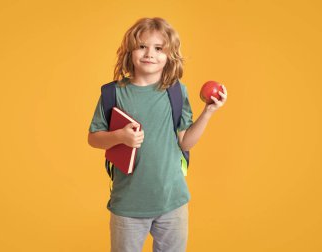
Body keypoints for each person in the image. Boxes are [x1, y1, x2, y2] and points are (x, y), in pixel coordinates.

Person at [88, 17, 227, 252]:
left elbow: (185, 142)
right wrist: (120, 136)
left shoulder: (176, 92)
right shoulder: (113, 93)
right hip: (128, 205)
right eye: (142, 46)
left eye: (159, 48)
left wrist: (209, 111)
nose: (149, 54)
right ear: (130, 51)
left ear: (169, 55)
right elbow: (93, 138)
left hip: (172, 203)